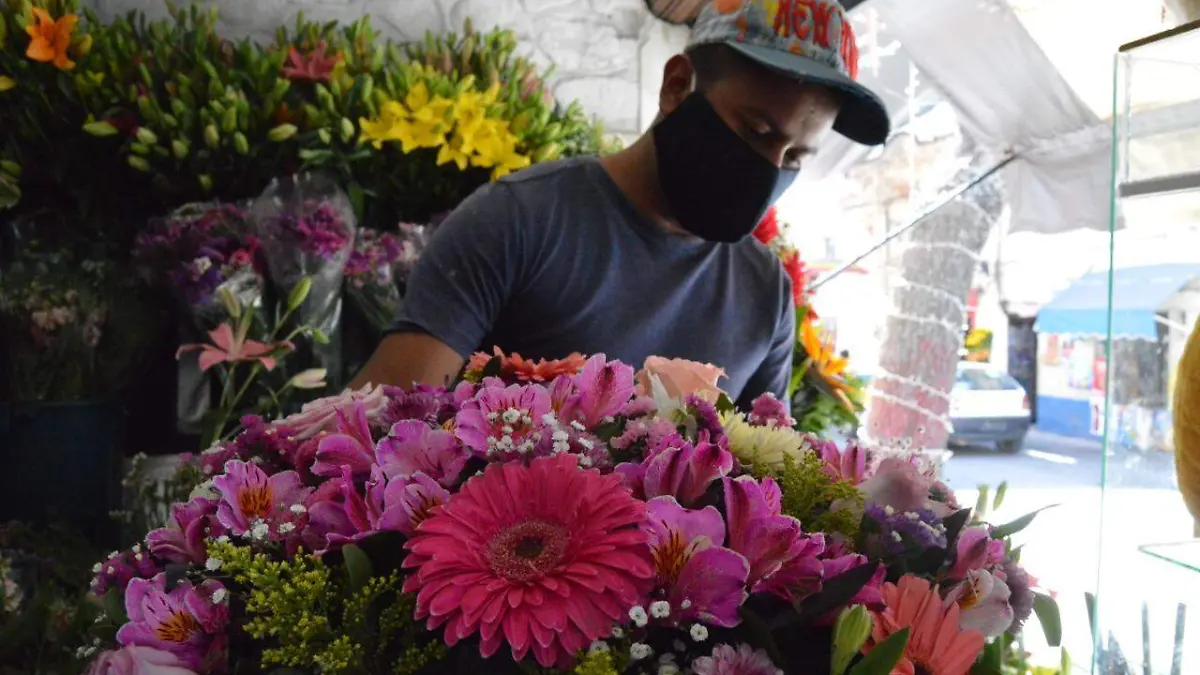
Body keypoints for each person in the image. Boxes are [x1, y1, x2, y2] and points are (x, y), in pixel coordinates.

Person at [350, 0, 888, 408]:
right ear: (677, 87)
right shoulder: (520, 220)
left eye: (794, 155)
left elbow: (770, 488)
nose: (770, 168)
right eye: (755, 131)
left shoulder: (764, 293)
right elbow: (377, 428)